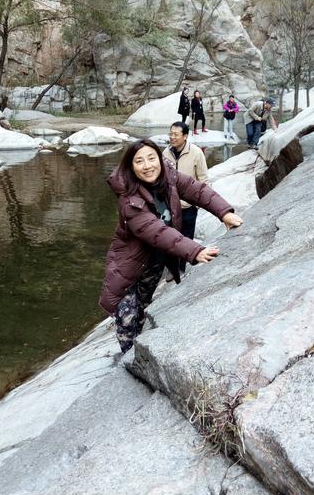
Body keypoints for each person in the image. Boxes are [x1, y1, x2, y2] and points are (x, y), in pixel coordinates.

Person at [99, 139, 243, 353]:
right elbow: (157, 231)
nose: (147, 166)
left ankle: (142, 349)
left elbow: (197, 190)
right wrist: (195, 251)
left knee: (144, 307)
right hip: (127, 267)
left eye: (151, 158)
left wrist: (225, 213)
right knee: (128, 320)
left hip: (154, 262)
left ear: (159, 158)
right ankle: (130, 361)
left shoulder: (169, 176)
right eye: (139, 161)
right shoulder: (129, 201)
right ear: (131, 167)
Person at [163, 121, 208, 272]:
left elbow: (203, 179)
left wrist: (200, 201)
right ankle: (172, 267)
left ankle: (180, 269)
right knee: (170, 238)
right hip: (169, 206)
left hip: (188, 206)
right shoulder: (165, 153)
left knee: (186, 238)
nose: (172, 137)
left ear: (185, 136)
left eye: (176, 134)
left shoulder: (196, 153)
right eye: (171, 134)